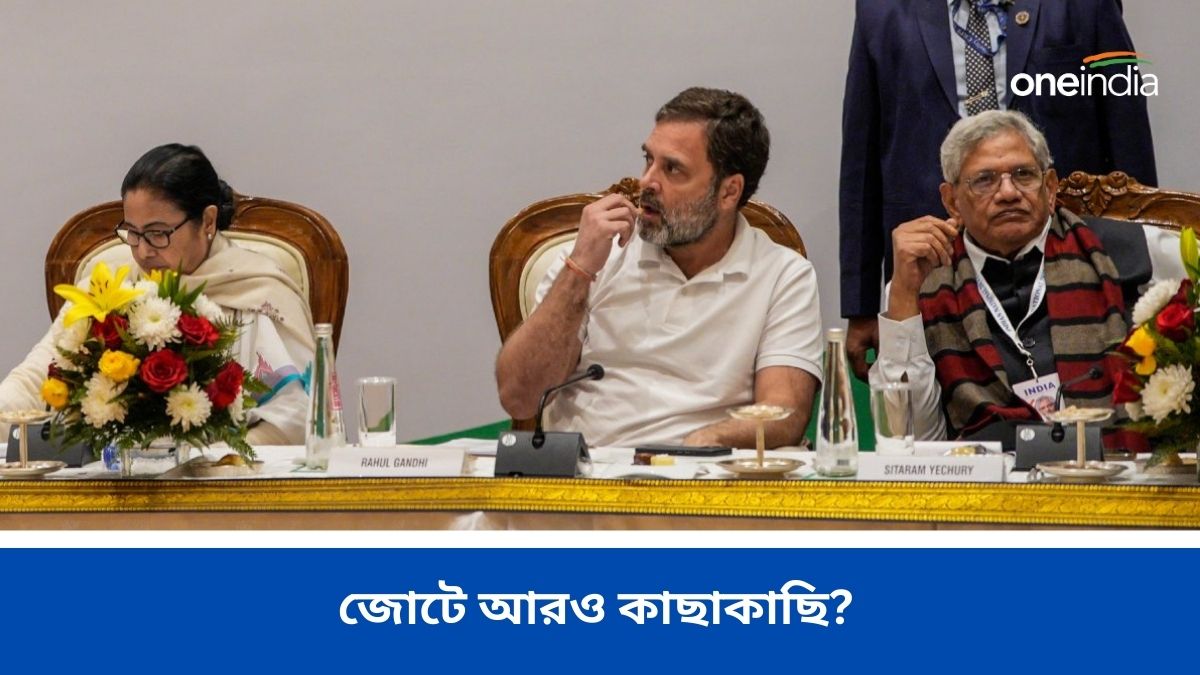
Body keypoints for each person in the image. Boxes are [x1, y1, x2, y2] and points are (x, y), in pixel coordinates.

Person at [839, 0, 1158, 380]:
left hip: (1068, 261)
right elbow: (861, 158)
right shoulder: (882, 11)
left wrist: (1140, 254)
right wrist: (861, 306)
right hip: (937, 265)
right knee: (935, 402)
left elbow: (1126, 128)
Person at [495, 87, 823, 449]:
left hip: (705, 472)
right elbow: (518, 397)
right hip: (591, 468)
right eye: (648, 160)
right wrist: (579, 270)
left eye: (673, 169)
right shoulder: (597, 256)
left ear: (729, 192)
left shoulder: (782, 275)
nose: (646, 182)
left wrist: (704, 442)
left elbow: (784, 414)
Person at [870, 110, 1181, 448]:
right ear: (951, 201)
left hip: (1117, 472)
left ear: (1050, 187)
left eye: (1023, 174)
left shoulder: (1135, 251)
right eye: (984, 180)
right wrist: (903, 294)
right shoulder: (924, 282)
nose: (1008, 192)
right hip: (987, 476)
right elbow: (907, 439)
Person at [0, 144, 315, 445]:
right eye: (133, 233)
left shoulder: (258, 292)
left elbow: (299, 416)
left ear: (207, 221)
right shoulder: (109, 289)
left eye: (157, 233)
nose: (143, 251)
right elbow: (33, 382)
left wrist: (216, 457)